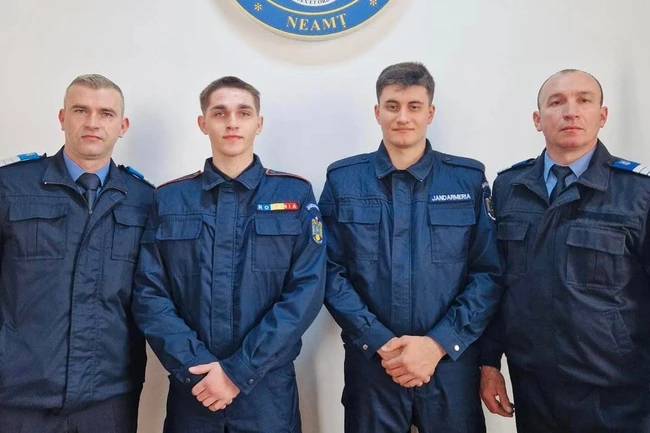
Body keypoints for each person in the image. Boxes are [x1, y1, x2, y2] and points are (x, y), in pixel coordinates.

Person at [132, 76, 325, 433]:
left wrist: (239, 370)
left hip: (266, 391)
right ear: (203, 122)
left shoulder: (294, 194)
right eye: (220, 113)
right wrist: (196, 367)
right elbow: (149, 293)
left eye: (243, 113)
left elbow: (306, 290)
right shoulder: (170, 199)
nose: (232, 122)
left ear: (259, 123)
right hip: (195, 388)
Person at [319, 61, 504, 433]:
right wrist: (379, 341)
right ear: (377, 112)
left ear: (430, 113)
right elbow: (328, 272)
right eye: (392, 106)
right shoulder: (344, 180)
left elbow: (488, 273)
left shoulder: (466, 180)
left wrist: (437, 344)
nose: (403, 117)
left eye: (414, 106)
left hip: (450, 365)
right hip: (373, 365)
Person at [480, 69, 650, 432]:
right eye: (556, 102)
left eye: (583, 100)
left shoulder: (638, 193)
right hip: (534, 389)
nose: (571, 111)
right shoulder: (509, 187)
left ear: (602, 115)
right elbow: (497, 284)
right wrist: (488, 361)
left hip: (618, 395)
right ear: (538, 119)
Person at [0, 74, 153, 432]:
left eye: (106, 113)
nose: (92, 122)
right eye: (81, 110)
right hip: (17, 394)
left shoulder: (144, 199)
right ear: (62, 117)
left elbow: (153, 294)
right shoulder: (11, 186)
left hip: (108, 396)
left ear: (122, 126)